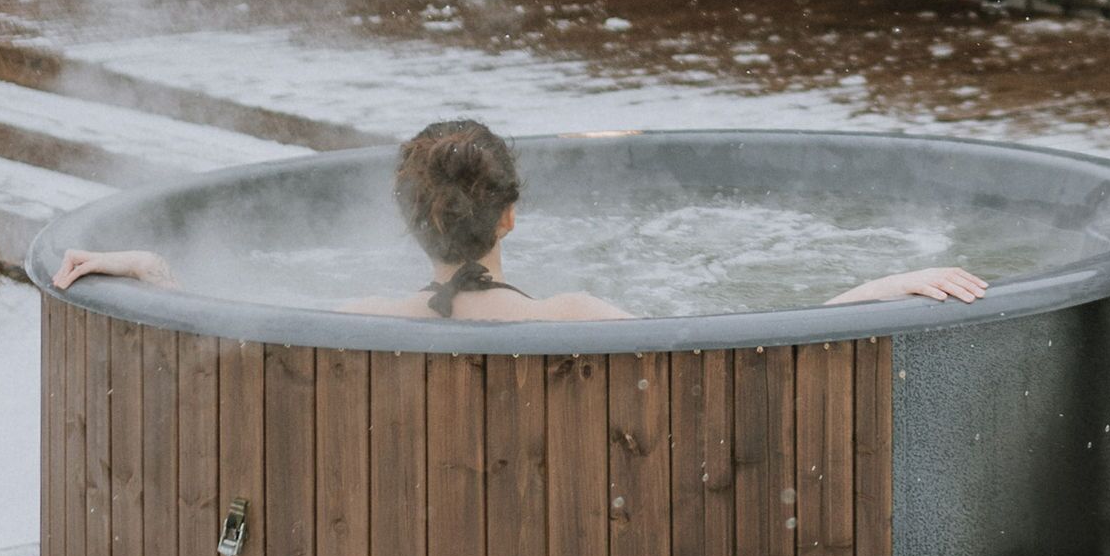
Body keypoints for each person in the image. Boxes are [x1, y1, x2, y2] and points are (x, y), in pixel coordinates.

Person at [52, 117, 990, 321]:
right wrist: (886, 284)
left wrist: (147, 271)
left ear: (410, 223)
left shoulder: (361, 321)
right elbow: (757, 345)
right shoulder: (579, 318)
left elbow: (214, 316)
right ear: (509, 219)